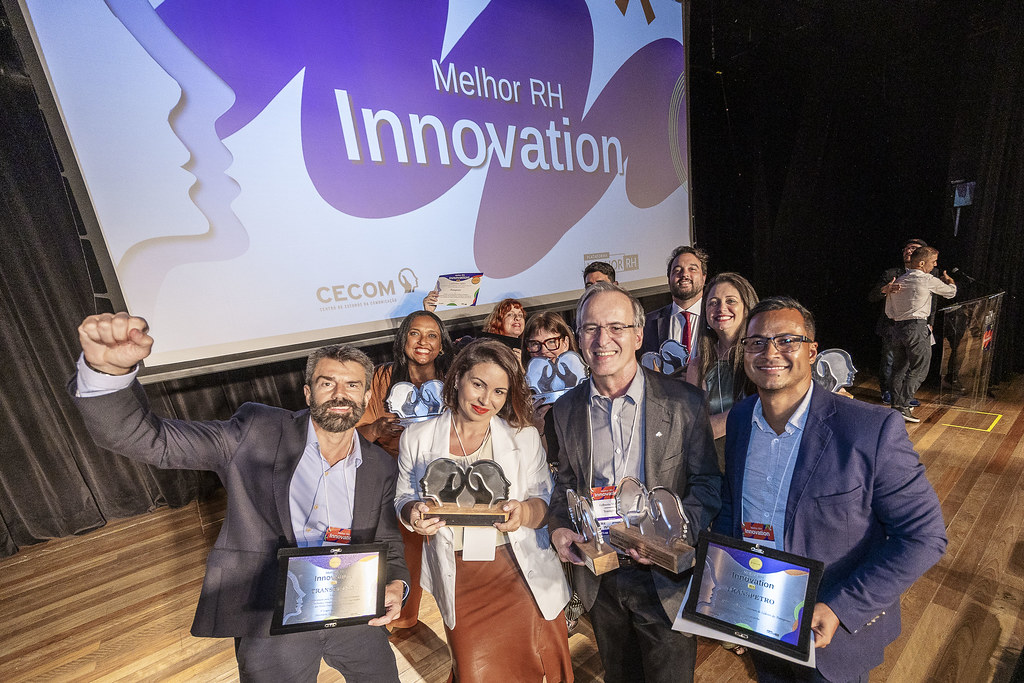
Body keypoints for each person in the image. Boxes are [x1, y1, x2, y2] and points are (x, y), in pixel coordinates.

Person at [71, 313, 410, 683]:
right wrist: (107, 374)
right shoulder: (257, 431)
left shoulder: (379, 464)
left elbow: (387, 539)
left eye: (352, 385)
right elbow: (151, 440)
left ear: (366, 396)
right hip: (272, 606)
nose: (340, 394)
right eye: (327, 383)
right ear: (308, 393)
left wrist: (397, 583)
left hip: (352, 605)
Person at [715, 297, 947, 682]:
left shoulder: (870, 429)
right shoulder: (740, 418)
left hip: (830, 636)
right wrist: (723, 587)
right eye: (757, 342)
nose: (770, 352)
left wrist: (841, 607)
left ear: (812, 351)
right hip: (759, 618)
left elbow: (924, 536)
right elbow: (732, 508)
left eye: (787, 340)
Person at [547, 281, 722, 683]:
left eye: (616, 327)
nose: (602, 339)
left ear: (638, 335)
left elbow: (707, 485)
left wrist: (673, 534)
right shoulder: (566, 409)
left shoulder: (684, 402)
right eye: (591, 328)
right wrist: (559, 526)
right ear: (578, 337)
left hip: (664, 577)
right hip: (600, 574)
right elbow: (566, 483)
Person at [394, 339, 573, 683]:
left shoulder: (524, 437)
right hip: (459, 577)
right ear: (458, 378)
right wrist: (413, 512)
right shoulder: (416, 438)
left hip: (520, 570)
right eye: (478, 384)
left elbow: (546, 506)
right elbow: (402, 498)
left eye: (499, 392)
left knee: (539, 669)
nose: (485, 400)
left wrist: (522, 513)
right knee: (474, 672)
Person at [356, 310, 455, 629]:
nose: (423, 341)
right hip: (394, 475)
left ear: (441, 345)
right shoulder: (381, 378)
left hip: (449, 475)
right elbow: (353, 435)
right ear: (402, 340)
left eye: (432, 335)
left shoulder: (455, 378)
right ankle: (402, 617)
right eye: (415, 333)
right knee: (404, 550)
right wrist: (377, 429)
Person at [885, 246, 957, 422]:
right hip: (916, 328)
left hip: (898, 329)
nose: (935, 265)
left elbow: (889, 312)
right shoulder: (926, 279)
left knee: (899, 368)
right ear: (922, 263)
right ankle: (903, 406)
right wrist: (950, 281)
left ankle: (896, 405)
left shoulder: (899, 281)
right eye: (933, 262)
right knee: (919, 368)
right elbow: (951, 293)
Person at [685, 272, 759, 442]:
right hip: (720, 456)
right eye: (713, 302)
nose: (721, 308)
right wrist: (750, 410)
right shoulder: (698, 366)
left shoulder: (763, 355)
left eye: (731, 301)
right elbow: (696, 431)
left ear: (747, 307)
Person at [868, 238, 928, 403]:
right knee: (890, 360)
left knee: (910, 362)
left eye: (913, 248)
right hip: (893, 326)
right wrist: (884, 289)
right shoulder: (892, 274)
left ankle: (904, 395)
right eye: (906, 248)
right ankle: (888, 391)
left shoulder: (928, 275)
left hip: (916, 326)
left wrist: (930, 323)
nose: (908, 251)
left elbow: (933, 302)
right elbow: (872, 296)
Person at [640, 245, 708, 357]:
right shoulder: (648, 323)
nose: (684, 274)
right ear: (669, 279)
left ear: (704, 277)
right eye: (677, 270)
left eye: (692, 269)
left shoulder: (716, 317)